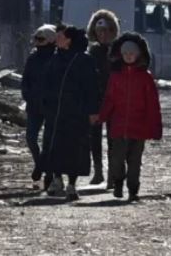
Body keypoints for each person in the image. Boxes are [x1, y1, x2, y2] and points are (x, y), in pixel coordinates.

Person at [98, 33, 162, 202]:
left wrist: (155, 128)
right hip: (119, 126)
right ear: (120, 55)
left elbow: (153, 105)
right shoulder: (115, 76)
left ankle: (133, 190)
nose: (128, 57)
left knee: (135, 162)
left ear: (138, 55)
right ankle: (118, 182)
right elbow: (109, 99)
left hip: (138, 127)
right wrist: (102, 116)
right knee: (116, 159)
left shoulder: (145, 78)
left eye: (131, 54)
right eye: (125, 54)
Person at [41, 25, 100, 201]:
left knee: (75, 148)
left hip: (77, 112)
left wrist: (93, 111)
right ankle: (57, 179)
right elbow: (46, 83)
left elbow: (91, 88)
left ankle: (72, 184)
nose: (56, 39)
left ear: (69, 40)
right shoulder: (54, 59)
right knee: (55, 146)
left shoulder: (84, 60)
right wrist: (45, 103)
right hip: (55, 112)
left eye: (60, 36)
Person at [86, 10, 119, 186]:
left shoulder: (119, 51)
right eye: (99, 31)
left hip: (115, 101)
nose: (103, 35)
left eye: (106, 30)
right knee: (94, 137)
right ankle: (98, 170)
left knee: (114, 138)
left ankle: (113, 174)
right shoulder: (92, 52)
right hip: (96, 100)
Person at [20, 24, 56, 187]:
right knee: (31, 138)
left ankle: (48, 172)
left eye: (40, 39)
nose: (36, 42)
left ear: (50, 40)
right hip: (34, 105)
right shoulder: (32, 58)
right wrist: (27, 96)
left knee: (49, 142)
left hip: (51, 106)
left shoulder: (57, 58)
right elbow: (25, 80)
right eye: (35, 39)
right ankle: (39, 164)